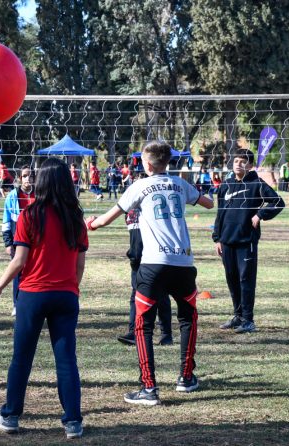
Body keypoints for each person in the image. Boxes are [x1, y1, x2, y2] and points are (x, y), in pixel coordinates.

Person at [85, 141, 213, 406]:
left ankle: (149, 388)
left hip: (153, 264)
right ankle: (186, 377)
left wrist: (91, 224)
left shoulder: (139, 186)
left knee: (143, 325)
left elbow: (107, 218)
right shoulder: (180, 184)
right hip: (183, 263)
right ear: (167, 162)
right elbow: (209, 203)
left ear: (147, 164)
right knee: (188, 318)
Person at [0, 157, 87, 439]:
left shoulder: (30, 215)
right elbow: (79, 265)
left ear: (40, 181)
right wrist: (71, 288)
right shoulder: (75, 217)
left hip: (33, 294)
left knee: (22, 358)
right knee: (66, 360)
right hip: (66, 296)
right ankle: (73, 422)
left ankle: (10, 416)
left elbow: (19, 261)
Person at [213, 149, 285, 334]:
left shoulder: (257, 184)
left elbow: (278, 202)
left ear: (250, 165)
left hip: (247, 241)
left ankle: (248, 320)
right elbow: (220, 213)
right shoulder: (226, 185)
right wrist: (217, 238)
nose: (238, 164)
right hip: (227, 240)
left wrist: (260, 214)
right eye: (236, 160)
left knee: (246, 280)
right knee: (232, 279)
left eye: (243, 161)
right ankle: (238, 316)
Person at [117, 208, 173, 346]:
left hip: (154, 258)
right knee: (135, 296)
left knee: (161, 295)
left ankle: (166, 333)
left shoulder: (150, 201)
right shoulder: (128, 205)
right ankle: (134, 332)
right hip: (136, 259)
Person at [1, 166, 35, 316]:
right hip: (18, 241)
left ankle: (33, 303)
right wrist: (8, 243)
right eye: (25, 176)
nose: (28, 178)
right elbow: (6, 221)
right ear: (20, 178)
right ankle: (16, 304)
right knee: (17, 273)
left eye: (30, 176)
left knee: (34, 272)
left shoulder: (39, 195)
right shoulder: (12, 197)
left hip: (37, 241)